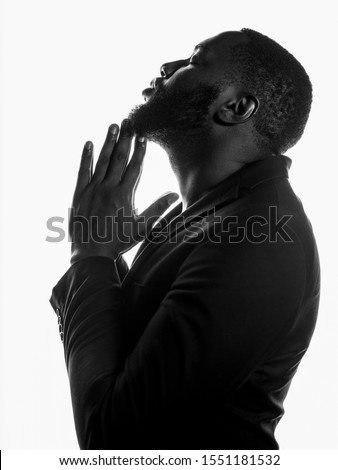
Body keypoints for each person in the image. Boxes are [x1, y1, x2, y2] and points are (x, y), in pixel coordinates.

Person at [50, 28, 320, 450]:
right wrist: (105, 259)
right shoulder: (208, 217)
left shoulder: (261, 237)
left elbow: (111, 439)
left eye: (194, 61)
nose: (167, 68)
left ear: (236, 107)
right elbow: (133, 362)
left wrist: (90, 257)